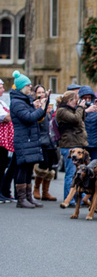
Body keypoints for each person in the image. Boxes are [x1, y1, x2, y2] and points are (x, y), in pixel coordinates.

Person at [9, 71, 47, 208]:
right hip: (23, 139)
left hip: (29, 138)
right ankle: (21, 199)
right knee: (22, 168)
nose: (31, 88)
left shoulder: (26, 100)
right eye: (28, 85)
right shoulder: (17, 102)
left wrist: (42, 106)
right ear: (22, 87)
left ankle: (29, 197)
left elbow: (35, 116)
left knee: (29, 168)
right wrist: (41, 108)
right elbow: (29, 118)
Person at [56, 90, 89, 202]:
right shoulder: (62, 111)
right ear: (70, 100)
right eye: (76, 99)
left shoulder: (71, 110)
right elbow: (76, 119)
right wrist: (80, 108)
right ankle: (69, 199)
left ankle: (80, 197)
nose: (77, 102)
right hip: (69, 146)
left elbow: (80, 120)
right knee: (70, 174)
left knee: (78, 174)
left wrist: (81, 108)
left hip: (77, 144)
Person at [32, 85, 58, 201]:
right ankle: (36, 189)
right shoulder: (34, 106)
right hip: (41, 141)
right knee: (42, 167)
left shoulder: (49, 108)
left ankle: (46, 192)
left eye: (43, 92)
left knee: (51, 168)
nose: (41, 94)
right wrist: (40, 108)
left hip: (51, 141)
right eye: (39, 92)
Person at [78, 85, 97, 160]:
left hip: (95, 142)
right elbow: (76, 120)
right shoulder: (77, 109)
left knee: (95, 164)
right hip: (82, 142)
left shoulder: (95, 108)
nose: (87, 100)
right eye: (85, 98)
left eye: (89, 98)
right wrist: (86, 111)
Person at [0, 78, 15, 203]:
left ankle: (2, 192)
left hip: (3, 140)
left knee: (2, 166)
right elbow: (6, 117)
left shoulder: (2, 103)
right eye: (0, 87)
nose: (3, 90)